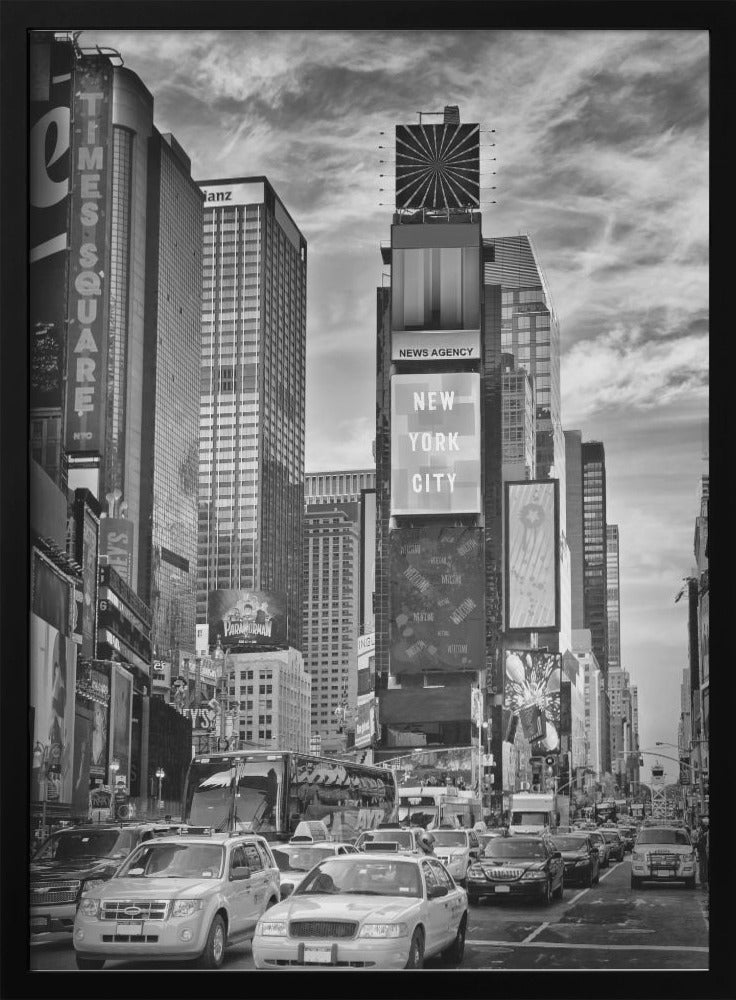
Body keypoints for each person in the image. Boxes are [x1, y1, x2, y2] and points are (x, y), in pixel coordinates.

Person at [694, 816, 709, 888]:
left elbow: (702, 842)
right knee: (702, 866)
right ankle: (703, 881)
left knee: (704, 867)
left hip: (705, 852)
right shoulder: (701, 832)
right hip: (702, 851)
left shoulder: (705, 833)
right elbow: (699, 841)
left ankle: (704, 881)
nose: (701, 826)